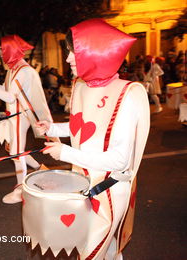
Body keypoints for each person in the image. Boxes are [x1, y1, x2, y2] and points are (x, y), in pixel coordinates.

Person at [36, 19, 150, 259]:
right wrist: (53, 129)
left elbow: (120, 160)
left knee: (91, 252)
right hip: (83, 183)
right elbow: (81, 126)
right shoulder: (81, 85)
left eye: (73, 53)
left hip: (109, 189)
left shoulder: (128, 94)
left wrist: (65, 153)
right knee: (107, 250)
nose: (67, 60)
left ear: (95, 53)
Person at [0, 35, 53, 204]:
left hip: (20, 115)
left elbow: (10, 97)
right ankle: (41, 170)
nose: (0, 54)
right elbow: (6, 91)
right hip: (16, 115)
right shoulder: (15, 69)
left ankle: (21, 190)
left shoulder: (23, 71)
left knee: (16, 153)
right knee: (15, 151)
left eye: (2, 50)